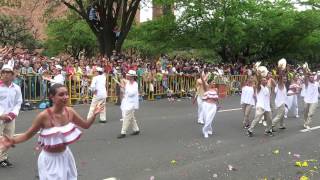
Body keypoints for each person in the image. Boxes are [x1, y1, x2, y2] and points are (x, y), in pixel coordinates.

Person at [0, 84, 104, 179]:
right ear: (52, 97)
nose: (65, 97)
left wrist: (94, 114)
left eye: (67, 94)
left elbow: (86, 125)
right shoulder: (43, 116)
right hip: (49, 160)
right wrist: (12, 141)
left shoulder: (70, 112)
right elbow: (27, 135)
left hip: (66, 156)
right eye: (61, 95)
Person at [0, 64, 23, 167]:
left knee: (8, 139)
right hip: (0, 117)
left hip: (10, 118)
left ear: (12, 75)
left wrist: (13, 114)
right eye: (4, 72)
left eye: (8, 73)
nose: (6, 75)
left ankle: (3, 158)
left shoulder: (16, 88)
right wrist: (1, 115)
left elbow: (18, 102)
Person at [117, 70, 140, 139]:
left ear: (132, 77)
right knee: (131, 117)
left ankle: (123, 132)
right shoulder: (128, 83)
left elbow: (131, 94)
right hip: (127, 102)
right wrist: (122, 88)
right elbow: (125, 92)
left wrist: (124, 88)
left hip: (132, 103)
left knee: (127, 117)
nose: (127, 76)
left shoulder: (135, 84)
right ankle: (136, 129)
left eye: (129, 75)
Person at [200, 72, 219, 138]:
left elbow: (216, 99)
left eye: (214, 82)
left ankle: (205, 131)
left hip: (213, 106)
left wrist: (218, 105)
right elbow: (202, 81)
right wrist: (201, 75)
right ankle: (209, 129)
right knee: (206, 119)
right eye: (213, 82)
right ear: (209, 83)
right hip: (206, 105)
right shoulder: (206, 88)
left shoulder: (216, 89)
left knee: (210, 118)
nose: (214, 83)